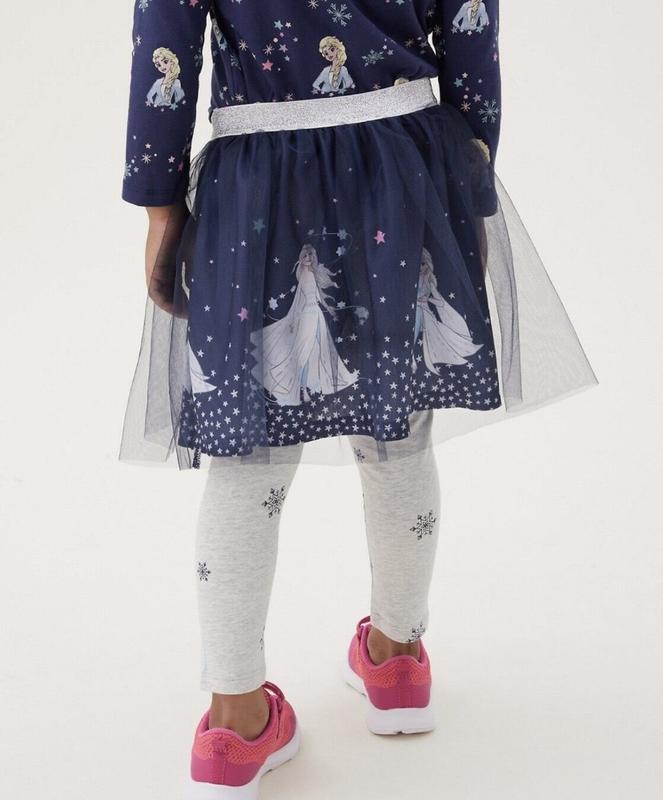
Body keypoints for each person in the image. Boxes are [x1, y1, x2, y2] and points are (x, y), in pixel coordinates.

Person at [120, 2, 597, 797]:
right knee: (398, 433)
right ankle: (396, 659)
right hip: (401, 170)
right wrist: (472, 177)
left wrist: (159, 204)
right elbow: (469, 24)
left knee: (246, 457)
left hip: (258, 183)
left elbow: (162, 38)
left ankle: (234, 718)